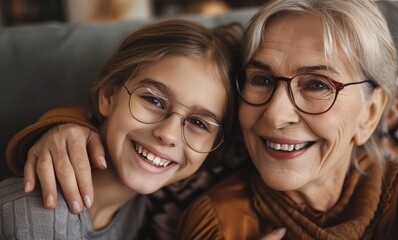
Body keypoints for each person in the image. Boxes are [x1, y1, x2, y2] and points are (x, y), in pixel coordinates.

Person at [4, 0, 398, 239]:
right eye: (261, 79)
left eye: (317, 85)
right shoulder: (209, 199)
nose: (276, 114)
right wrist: (65, 125)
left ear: (371, 113)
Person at [0, 19, 242, 239]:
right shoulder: (37, 212)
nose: (167, 134)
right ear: (108, 96)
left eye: (198, 123)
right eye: (154, 100)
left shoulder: (137, 210)